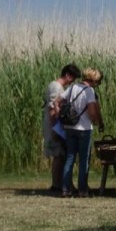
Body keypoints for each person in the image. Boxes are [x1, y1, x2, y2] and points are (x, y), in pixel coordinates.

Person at [58, 68, 104, 197]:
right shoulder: (89, 91)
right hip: (83, 128)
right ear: (93, 80)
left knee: (70, 157)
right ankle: (82, 190)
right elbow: (91, 111)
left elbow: (58, 100)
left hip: (69, 127)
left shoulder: (72, 87)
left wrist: (61, 112)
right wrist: (96, 121)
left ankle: (66, 189)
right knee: (84, 159)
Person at [44, 64, 81, 194]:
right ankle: (56, 184)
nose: (73, 82)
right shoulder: (56, 87)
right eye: (73, 78)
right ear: (67, 75)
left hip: (57, 125)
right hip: (55, 125)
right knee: (58, 155)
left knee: (61, 154)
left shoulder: (56, 86)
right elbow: (52, 110)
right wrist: (56, 129)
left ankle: (60, 183)